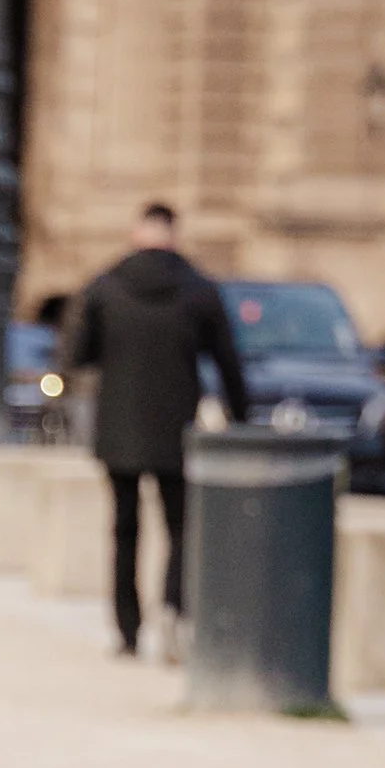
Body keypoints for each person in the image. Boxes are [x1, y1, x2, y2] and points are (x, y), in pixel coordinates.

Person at [65, 202, 250, 658]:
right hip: (176, 426)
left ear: (135, 232)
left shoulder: (104, 288)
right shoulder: (199, 290)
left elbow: (76, 355)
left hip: (118, 426)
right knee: (180, 527)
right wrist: (241, 417)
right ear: (174, 234)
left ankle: (128, 631)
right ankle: (172, 609)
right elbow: (228, 363)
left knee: (125, 529)